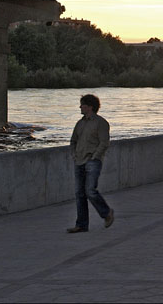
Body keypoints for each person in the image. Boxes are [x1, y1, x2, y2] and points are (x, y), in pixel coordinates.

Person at [67, 94, 114, 233]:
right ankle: (81, 225)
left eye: (82, 105)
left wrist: (95, 157)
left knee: (90, 191)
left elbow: (104, 142)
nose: (80, 107)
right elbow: (73, 140)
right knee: (79, 193)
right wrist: (74, 154)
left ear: (90, 107)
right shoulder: (80, 123)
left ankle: (106, 213)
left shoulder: (101, 123)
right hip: (79, 160)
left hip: (92, 161)